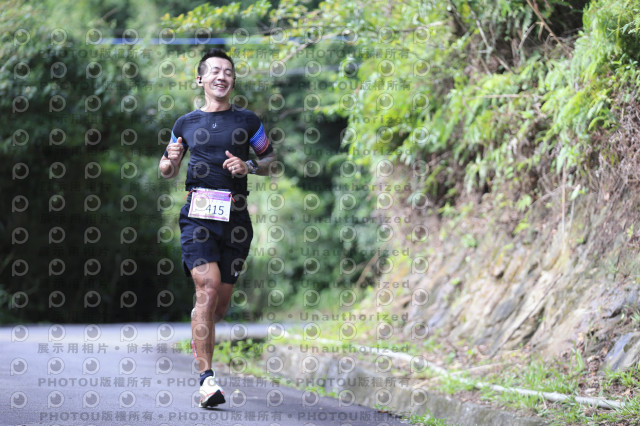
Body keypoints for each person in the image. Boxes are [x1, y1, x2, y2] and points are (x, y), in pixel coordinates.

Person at [158, 48, 276, 408]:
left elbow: (271, 161)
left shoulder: (248, 121)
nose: (221, 76)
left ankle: (202, 336)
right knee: (206, 288)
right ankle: (206, 381)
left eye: (228, 72)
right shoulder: (185, 123)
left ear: (233, 81)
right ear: (200, 79)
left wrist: (249, 166)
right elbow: (167, 169)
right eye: (214, 71)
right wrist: (170, 161)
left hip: (236, 220)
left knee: (219, 307)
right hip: (197, 215)